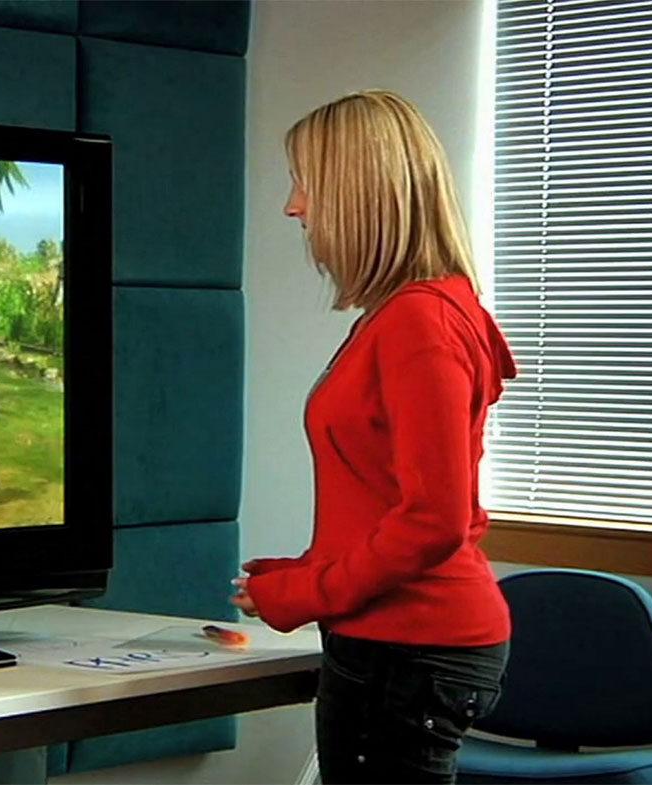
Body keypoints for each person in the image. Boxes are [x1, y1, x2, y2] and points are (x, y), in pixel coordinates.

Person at [231, 90, 517, 784]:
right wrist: (305, 571)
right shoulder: (419, 311)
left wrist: (306, 594)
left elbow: (434, 520)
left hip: (409, 646)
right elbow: (389, 496)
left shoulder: (420, 320)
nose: (292, 207)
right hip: (399, 642)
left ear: (357, 193)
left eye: (305, 184)